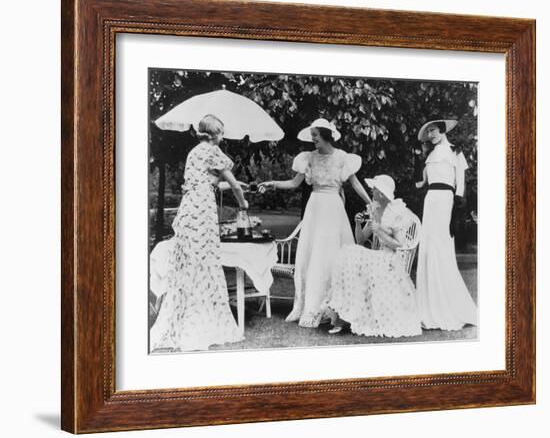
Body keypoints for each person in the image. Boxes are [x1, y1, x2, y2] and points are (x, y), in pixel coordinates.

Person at [258, 118, 371, 327]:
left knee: (332, 255)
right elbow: (294, 182)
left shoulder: (342, 158)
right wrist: (272, 183)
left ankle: (335, 308)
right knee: (313, 255)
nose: (313, 141)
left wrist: (371, 203)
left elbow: (355, 184)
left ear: (326, 136)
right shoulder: (308, 158)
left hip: (334, 209)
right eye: (312, 137)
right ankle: (311, 307)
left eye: (316, 137)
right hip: (315, 208)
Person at [150, 114, 248, 352]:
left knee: (191, 265)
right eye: (222, 133)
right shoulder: (213, 151)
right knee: (205, 262)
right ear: (215, 134)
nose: (222, 137)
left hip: (188, 210)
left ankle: (188, 316)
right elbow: (231, 183)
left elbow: (208, 182)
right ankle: (202, 321)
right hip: (202, 211)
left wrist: (234, 185)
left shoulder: (193, 152)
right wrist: (242, 202)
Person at [324, 175, 422, 337]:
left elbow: (398, 245)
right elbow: (360, 240)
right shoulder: (374, 209)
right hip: (377, 256)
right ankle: (343, 315)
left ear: (382, 193)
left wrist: (380, 231)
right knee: (349, 253)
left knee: (356, 259)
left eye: (375, 189)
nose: (372, 191)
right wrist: (357, 224)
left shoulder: (397, 212)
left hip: (390, 257)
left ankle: (348, 317)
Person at [415, 118, 477, 330]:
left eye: (433, 130)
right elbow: (420, 183)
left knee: (441, 248)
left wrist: (457, 208)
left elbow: (460, 183)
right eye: (428, 132)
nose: (431, 135)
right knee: (429, 248)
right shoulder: (429, 155)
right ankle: (428, 306)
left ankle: (449, 305)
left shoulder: (455, 152)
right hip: (430, 201)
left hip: (445, 201)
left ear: (441, 130)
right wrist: (417, 161)